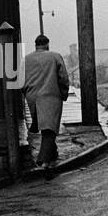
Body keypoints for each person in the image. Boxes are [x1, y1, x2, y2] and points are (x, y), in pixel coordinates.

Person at [22, 34, 70, 174]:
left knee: (45, 127)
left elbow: (20, 81)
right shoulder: (55, 57)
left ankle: (52, 154)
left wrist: (27, 93)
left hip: (33, 98)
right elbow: (63, 78)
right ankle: (43, 159)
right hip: (50, 97)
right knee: (49, 129)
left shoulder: (26, 60)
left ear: (35, 45)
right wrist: (64, 93)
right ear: (47, 44)